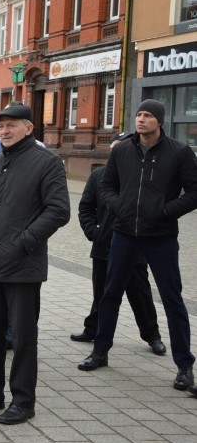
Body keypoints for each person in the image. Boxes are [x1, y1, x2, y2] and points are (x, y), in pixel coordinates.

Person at [0, 103, 69, 425]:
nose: (4, 131)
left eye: (12, 125)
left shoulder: (46, 162)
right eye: (1, 126)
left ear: (28, 128)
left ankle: (23, 400)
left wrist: (20, 244)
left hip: (23, 264)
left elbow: (59, 211)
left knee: (22, 338)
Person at [79, 99, 197, 393]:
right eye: (138, 115)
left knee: (172, 300)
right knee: (110, 295)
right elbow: (106, 186)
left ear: (159, 121)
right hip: (124, 234)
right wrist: (119, 207)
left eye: (147, 116)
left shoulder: (179, 153)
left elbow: (194, 192)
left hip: (161, 237)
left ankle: (184, 366)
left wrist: (167, 211)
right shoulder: (122, 152)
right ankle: (100, 351)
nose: (140, 120)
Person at [72, 131, 165, 355]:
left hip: (135, 248)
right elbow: (85, 208)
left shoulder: (143, 177)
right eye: (114, 151)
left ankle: (152, 335)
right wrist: (94, 232)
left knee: (140, 295)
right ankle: (93, 329)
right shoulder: (99, 176)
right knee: (101, 294)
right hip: (104, 247)